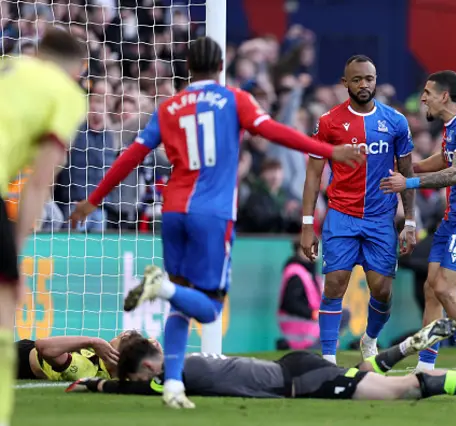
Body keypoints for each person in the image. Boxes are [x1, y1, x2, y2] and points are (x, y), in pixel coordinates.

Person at [70, 36, 363, 410]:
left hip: (173, 211)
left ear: (188, 68)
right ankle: (159, 290)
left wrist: (93, 200)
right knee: (207, 309)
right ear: (221, 66)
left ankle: (173, 384)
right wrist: (328, 149)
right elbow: (274, 131)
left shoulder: (170, 106)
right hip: (212, 214)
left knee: (179, 301)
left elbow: (132, 155)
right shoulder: (234, 99)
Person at [65, 320, 456, 404]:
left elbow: (131, 388)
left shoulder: (173, 374)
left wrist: (95, 386)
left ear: (147, 370)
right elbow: (134, 381)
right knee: (370, 376)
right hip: (296, 368)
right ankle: (407, 346)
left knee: (403, 390)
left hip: (300, 379)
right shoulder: (180, 358)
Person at [300, 55, 417, 365]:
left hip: (381, 220)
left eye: (369, 78)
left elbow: (406, 174)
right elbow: (313, 174)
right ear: (345, 83)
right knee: (335, 282)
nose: (364, 84)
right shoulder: (328, 122)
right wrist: (307, 224)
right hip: (342, 215)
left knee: (382, 291)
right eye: (357, 79)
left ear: (375, 80)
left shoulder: (396, 122)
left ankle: (370, 339)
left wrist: (410, 221)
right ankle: (327, 359)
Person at [380, 71, 456, 373]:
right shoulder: (452, 125)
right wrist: (410, 168)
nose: (422, 98)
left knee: (445, 288)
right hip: (453, 217)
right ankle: (425, 364)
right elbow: (445, 160)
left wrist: (409, 182)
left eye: (428, 93)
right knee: (431, 289)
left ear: (444, 96)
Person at [0, 27, 87, 426]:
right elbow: (38, 182)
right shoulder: (67, 95)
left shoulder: (9, 67)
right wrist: (14, 250)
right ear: (78, 69)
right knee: (5, 311)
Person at [15, 331, 159, 381]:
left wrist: (92, 341)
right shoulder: (102, 358)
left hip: (17, 362)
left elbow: (42, 346)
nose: (122, 334)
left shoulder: (87, 369)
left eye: (123, 339)